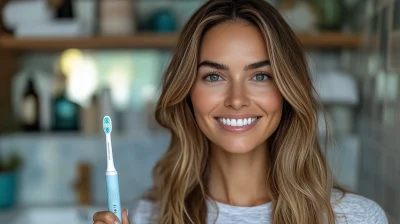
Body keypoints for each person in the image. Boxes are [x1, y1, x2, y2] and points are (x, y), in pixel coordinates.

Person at [93, 0, 388, 223]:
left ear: (287, 90)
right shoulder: (148, 216)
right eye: (213, 76)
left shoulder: (357, 218)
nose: (237, 100)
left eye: (260, 76)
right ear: (187, 92)